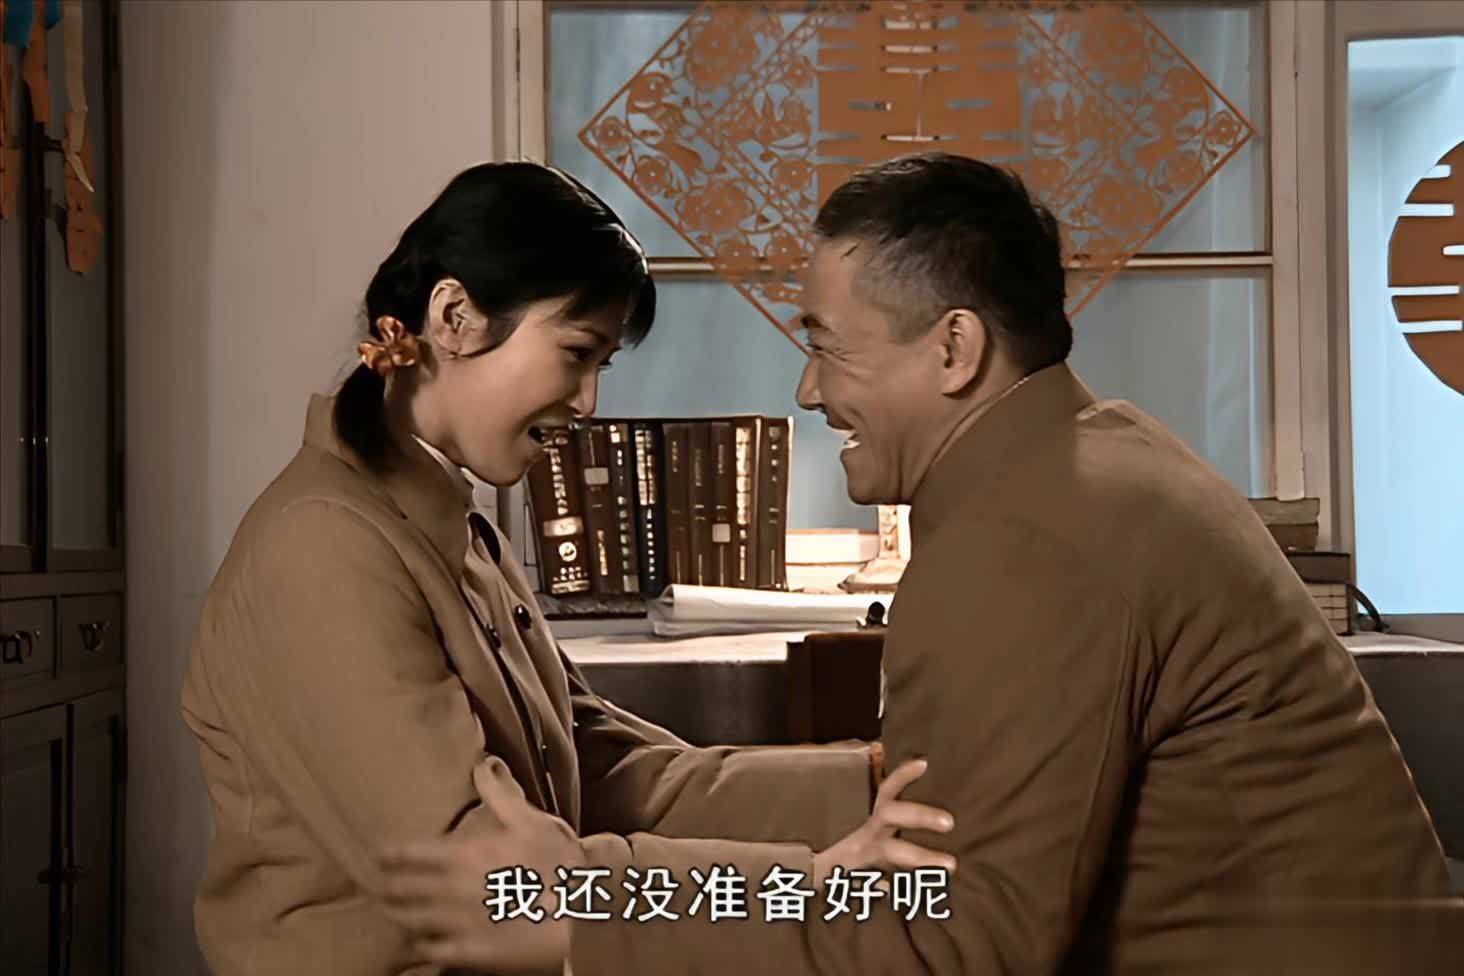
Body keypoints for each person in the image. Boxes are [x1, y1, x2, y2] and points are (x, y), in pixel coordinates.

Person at [381, 153, 1455, 973]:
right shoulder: (1088, 460)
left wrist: (581, 909)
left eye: (825, 346)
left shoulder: (1026, 543)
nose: (807, 391)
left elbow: (957, 939)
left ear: (953, 349)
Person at [180, 161, 955, 976]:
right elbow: (486, 880)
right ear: (453, 318)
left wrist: (869, 785)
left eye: (601, 366)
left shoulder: (455, 529)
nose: (588, 403)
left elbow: (604, 771)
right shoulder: (321, 548)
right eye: (577, 352)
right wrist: (812, 885)